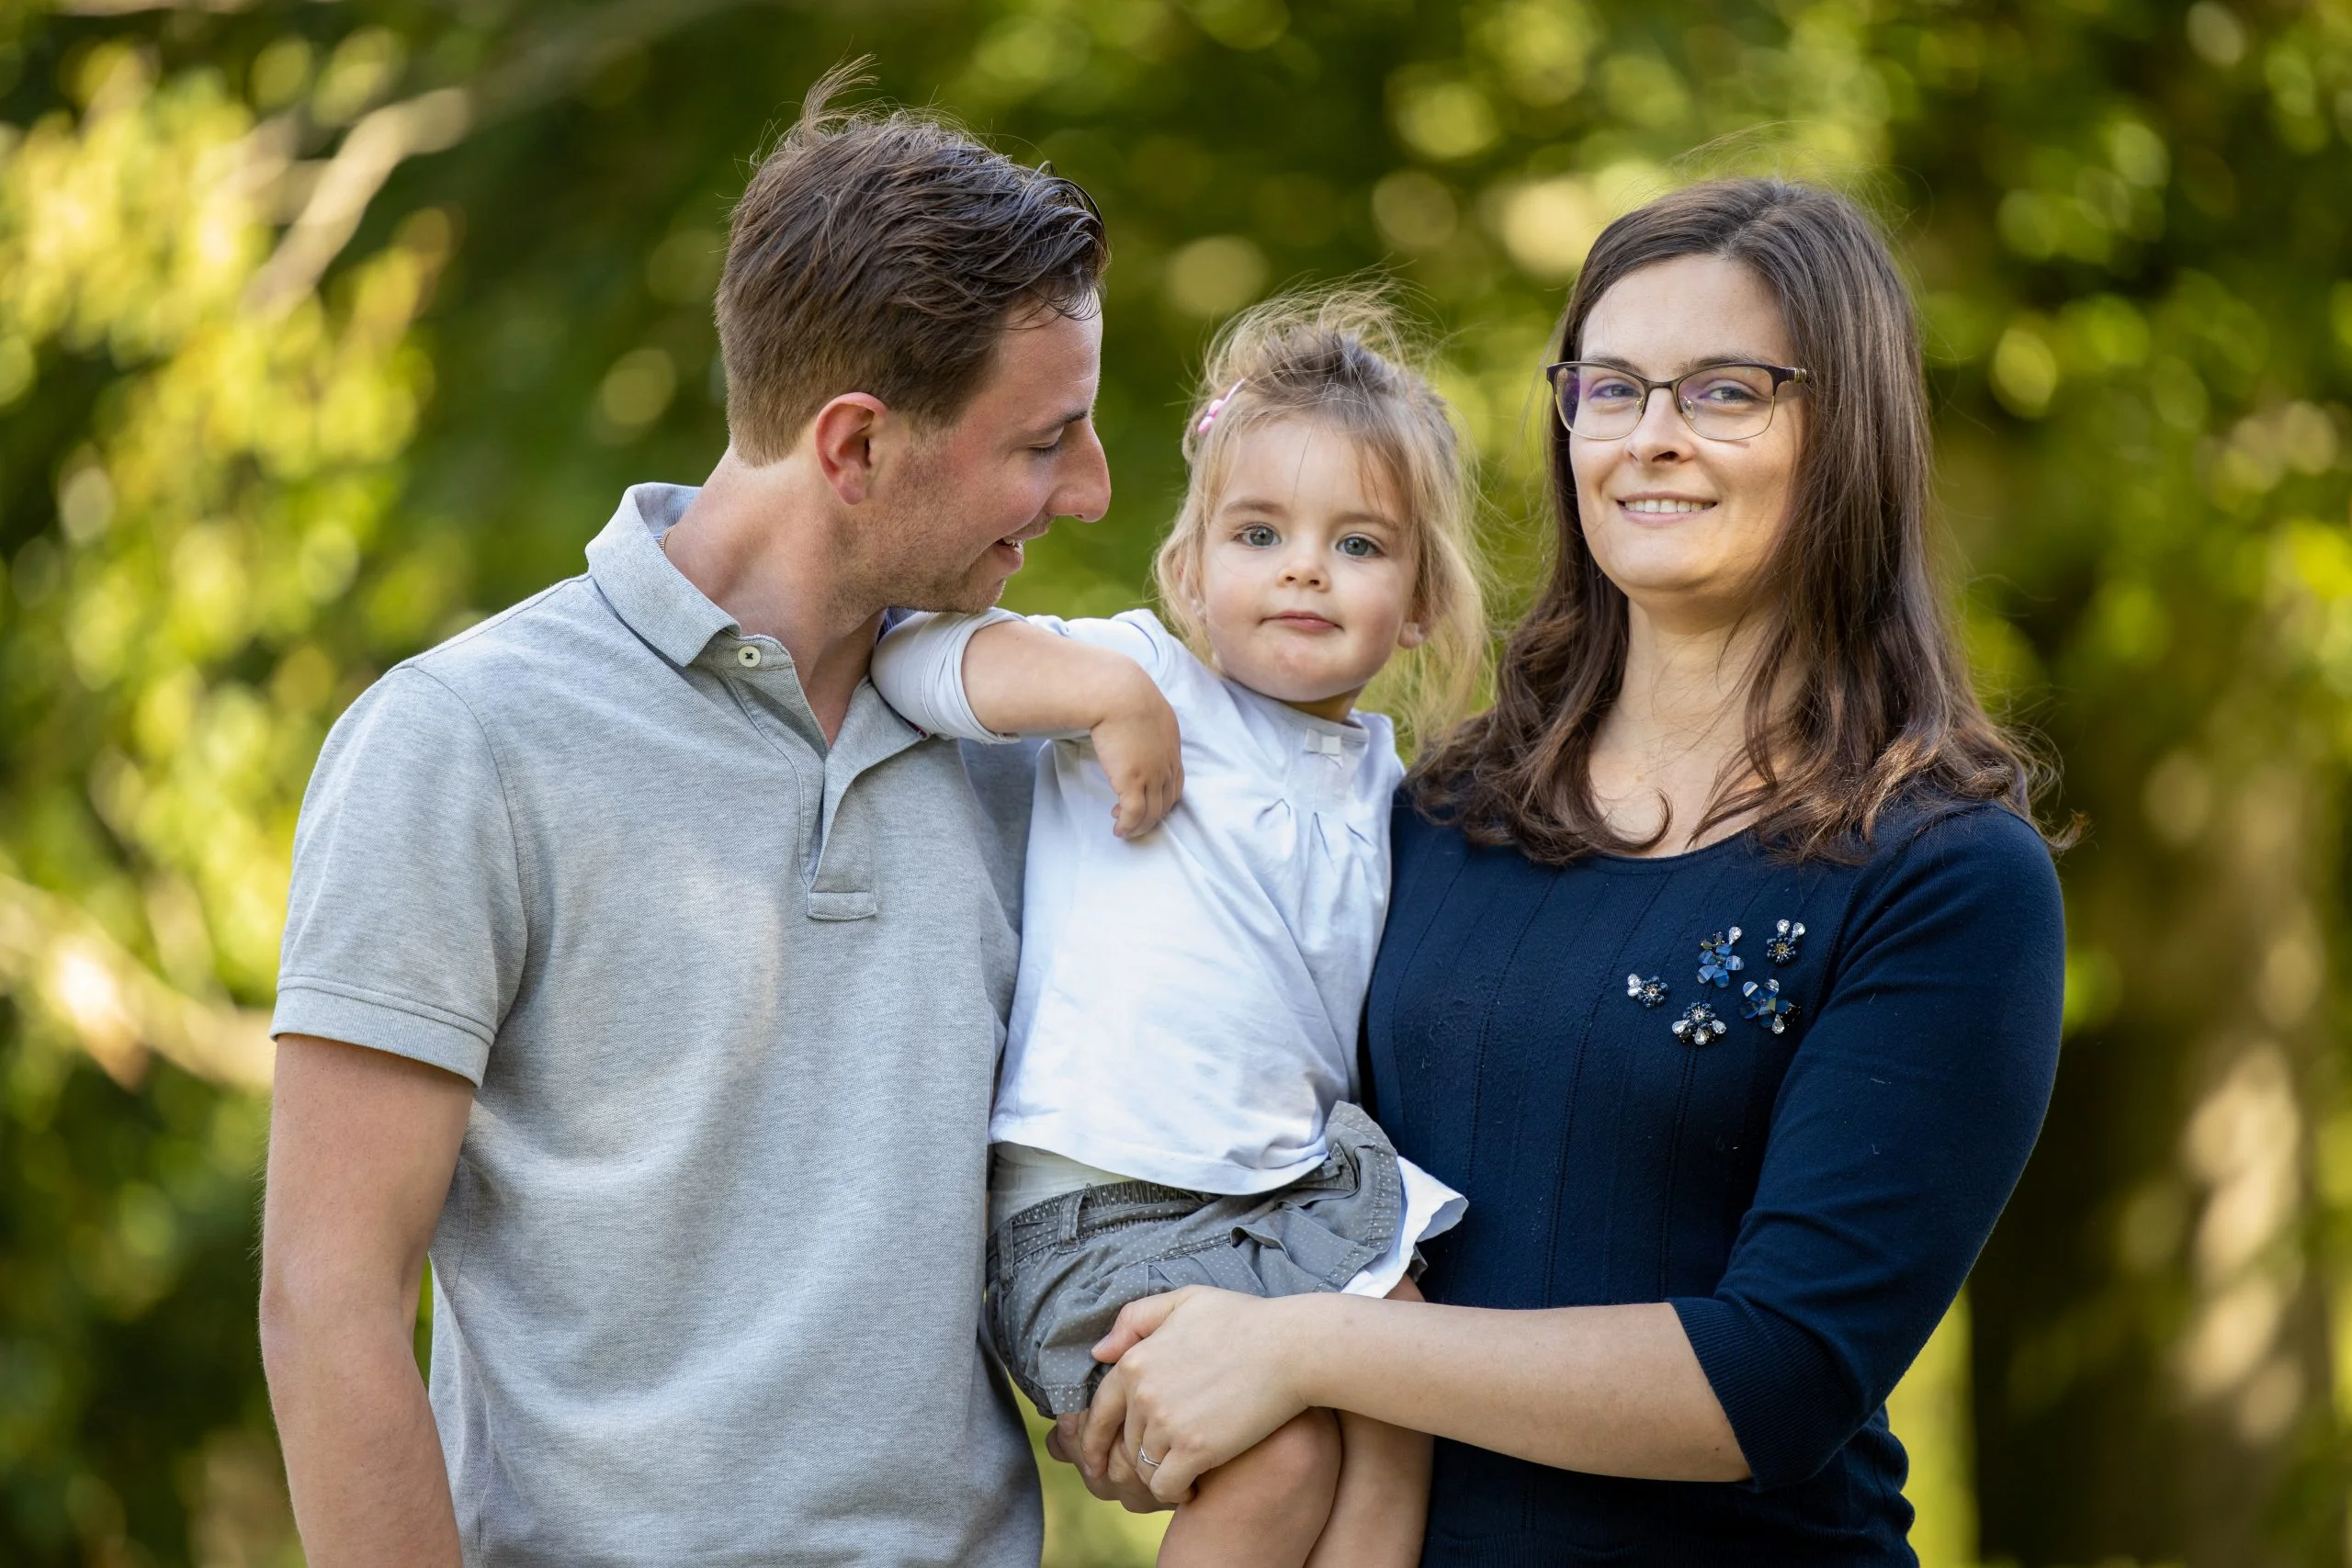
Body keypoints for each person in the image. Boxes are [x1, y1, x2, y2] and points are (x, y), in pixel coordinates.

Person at [1068, 177, 2069, 1565]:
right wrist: (1156, 1351)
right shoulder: (1434, 811)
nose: (1651, 438)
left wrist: (1306, 1349)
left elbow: (1773, 1374)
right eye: (1611, 387)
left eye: (1725, 390)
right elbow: (1253, 1133)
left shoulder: (1944, 878)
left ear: (1845, 433)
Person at [255, 68, 1123, 1566]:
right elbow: (327, 1297)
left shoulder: (1028, 746)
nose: (1094, 492)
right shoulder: (466, 743)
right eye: (1044, 442)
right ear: (853, 447)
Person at [870, 291, 1487, 1568]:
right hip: (1104, 1201)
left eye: (1360, 544)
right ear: (1194, 565)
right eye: (1261, 532)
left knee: (1405, 1369)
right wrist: (1103, 693)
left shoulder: (1398, 800)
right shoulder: (1143, 676)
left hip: (1272, 1194)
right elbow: (912, 665)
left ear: (1421, 598)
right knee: (1282, 1455)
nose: (1306, 567)